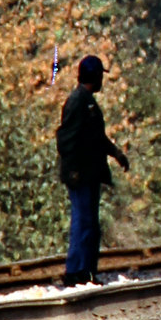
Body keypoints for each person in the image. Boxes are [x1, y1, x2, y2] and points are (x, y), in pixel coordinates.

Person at [57, 55, 130, 286]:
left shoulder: (86, 101)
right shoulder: (78, 101)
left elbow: (96, 138)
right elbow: (66, 140)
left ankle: (86, 270)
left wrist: (116, 153)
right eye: (101, 75)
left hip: (89, 173)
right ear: (95, 76)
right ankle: (75, 271)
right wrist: (73, 171)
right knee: (83, 221)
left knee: (90, 223)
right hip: (81, 174)